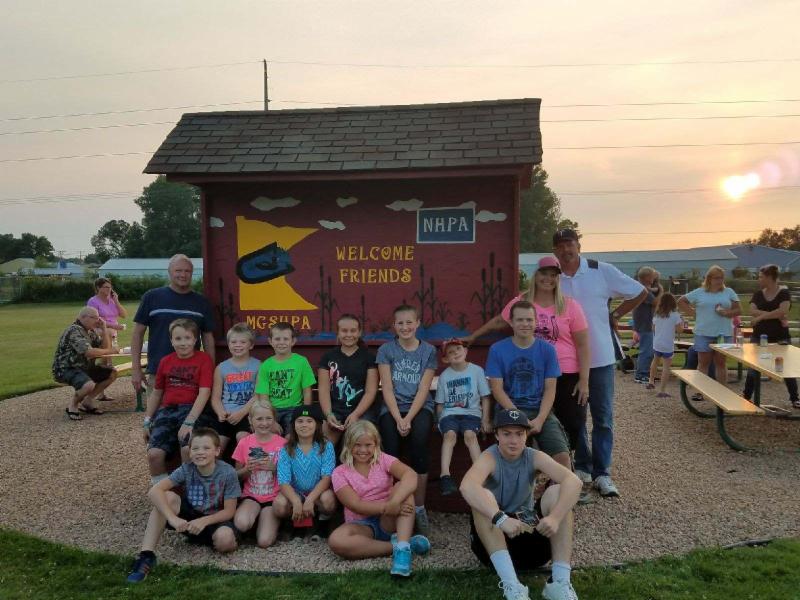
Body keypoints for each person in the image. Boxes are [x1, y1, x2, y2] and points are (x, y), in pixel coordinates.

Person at [552, 229, 646, 497]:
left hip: (600, 356)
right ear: (555, 251)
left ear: (578, 246)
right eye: (560, 246)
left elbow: (639, 291)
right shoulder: (553, 277)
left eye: (570, 244)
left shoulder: (600, 270)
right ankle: (583, 465)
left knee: (603, 417)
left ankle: (603, 472)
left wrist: (615, 314)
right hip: (569, 361)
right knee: (576, 417)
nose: (566, 250)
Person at [460, 409, 582, 600]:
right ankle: (513, 587)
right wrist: (501, 519)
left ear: (526, 435)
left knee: (558, 491)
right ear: (497, 435)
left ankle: (559, 583)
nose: (514, 441)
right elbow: (467, 486)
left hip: (529, 539)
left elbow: (574, 482)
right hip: (493, 543)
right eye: (507, 434)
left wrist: (555, 518)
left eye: (519, 434)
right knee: (481, 497)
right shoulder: (489, 457)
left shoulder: (534, 456)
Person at [126, 427, 240, 583]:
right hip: (190, 516)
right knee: (167, 497)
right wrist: (172, 519)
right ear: (190, 452)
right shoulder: (187, 469)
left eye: (206, 448)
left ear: (217, 451)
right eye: (195, 448)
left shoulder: (228, 472)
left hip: (215, 520)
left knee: (225, 541)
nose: (200, 452)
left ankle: (204, 538)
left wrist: (203, 521)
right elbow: (154, 491)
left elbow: (229, 511)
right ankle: (146, 556)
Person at [328, 420, 431, 578]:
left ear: (376, 444)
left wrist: (394, 503)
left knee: (403, 489)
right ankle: (400, 546)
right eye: (357, 445)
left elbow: (410, 475)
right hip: (362, 525)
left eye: (368, 445)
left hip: (389, 520)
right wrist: (386, 507)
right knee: (336, 541)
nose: (363, 450)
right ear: (348, 444)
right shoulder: (339, 472)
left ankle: (403, 553)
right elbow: (355, 505)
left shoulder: (383, 459)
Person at [485, 301, 571, 472]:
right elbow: (497, 389)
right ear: (511, 322)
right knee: (512, 457)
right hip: (509, 410)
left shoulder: (547, 350)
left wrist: (540, 419)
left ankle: (556, 489)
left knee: (562, 457)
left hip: (540, 410)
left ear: (536, 322)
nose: (525, 324)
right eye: (520, 320)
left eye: (529, 320)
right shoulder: (497, 350)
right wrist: (519, 417)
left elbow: (550, 389)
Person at [376, 304, 437, 536]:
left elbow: (423, 388)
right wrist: (398, 418)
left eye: (409, 322)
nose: (405, 327)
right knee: (390, 449)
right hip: (392, 408)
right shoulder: (386, 350)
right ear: (394, 325)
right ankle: (394, 504)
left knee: (419, 444)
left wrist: (408, 418)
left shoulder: (428, 351)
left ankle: (419, 508)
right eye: (400, 323)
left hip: (419, 407)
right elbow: (387, 387)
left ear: (418, 323)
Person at [131, 254, 215, 402]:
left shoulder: (201, 302)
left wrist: (210, 370)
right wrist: (136, 368)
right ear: (170, 272)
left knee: (189, 413)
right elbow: (138, 334)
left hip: (191, 373)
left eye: (187, 271)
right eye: (178, 270)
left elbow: (208, 338)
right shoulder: (152, 297)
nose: (183, 275)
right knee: (157, 414)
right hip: (159, 371)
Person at [142, 319, 215, 483]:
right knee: (154, 454)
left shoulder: (203, 359)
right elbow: (157, 393)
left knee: (188, 449)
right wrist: (147, 420)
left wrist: (189, 422)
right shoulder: (165, 361)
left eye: (187, 338)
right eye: (178, 338)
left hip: (193, 410)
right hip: (168, 411)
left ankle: (191, 490)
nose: (183, 343)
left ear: (195, 340)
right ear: (171, 340)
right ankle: (163, 491)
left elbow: (204, 392)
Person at [435, 338, 492, 496]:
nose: (455, 353)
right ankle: (445, 475)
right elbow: (440, 403)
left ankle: (480, 475)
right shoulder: (444, 376)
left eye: (458, 349)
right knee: (449, 435)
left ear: (466, 351)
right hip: (450, 414)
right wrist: (440, 421)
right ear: (445, 359)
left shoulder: (477, 371)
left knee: (470, 435)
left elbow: (486, 397)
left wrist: (485, 419)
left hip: (472, 414)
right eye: (450, 352)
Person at [274, 404, 337, 539]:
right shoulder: (286, 448)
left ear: (317, 425)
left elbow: (326, 478)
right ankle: (291, 522)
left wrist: (311, 499)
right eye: (300, 421)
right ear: (293, 425)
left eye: (309, 421)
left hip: (318, 492)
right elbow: (283, 481)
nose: (304, 425)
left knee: (328, 500)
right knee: (279, 504)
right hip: (296, 491)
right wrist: (296, 501)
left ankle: (321, 523)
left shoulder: (326, 446)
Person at [231, 399, 287, 548]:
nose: (264, 423)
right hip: (251, 496)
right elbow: (236, 476)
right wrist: (246, 470)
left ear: (274, 420)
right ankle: (254, 523)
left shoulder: (282, 444)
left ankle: (270, 524)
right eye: (259, 419)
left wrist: (274, 468)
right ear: (251, 420)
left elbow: (290, 476)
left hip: (273, 497)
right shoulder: (244, 442)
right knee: (241, 524)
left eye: (268, 418)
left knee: (264, 542)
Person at [318, 314, 379, 445]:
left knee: (360, 442)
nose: (349, 334)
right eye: (344, 331)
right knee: (324, 447)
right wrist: (328, 414)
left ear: (359, 332)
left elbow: (371, 391)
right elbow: (323, 389)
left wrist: (356, 414)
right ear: (338, 333)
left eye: (353, 330)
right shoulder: (328, 357)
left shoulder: (368, 357)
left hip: (361, 411)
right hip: (334, 410)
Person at [743, 264, 798, 407]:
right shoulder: (758, 294)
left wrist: (761, 317)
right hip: (759, 336)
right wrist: (775, 314)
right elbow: (752, 311)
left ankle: (795, 398)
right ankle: (746, 397)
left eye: (761, 277)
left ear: (769, 277)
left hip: (780, 336)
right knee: (753, 366)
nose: (759, 279)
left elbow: (783, 311)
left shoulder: (784, 293)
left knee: (786, 367)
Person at [678, 265, 740, 386]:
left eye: (721, 278)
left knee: (721, 363)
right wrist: (694, 314)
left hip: (723, 333)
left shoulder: (729, 292)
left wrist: (726, 313)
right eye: (716, 278)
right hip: (703, 333)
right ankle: (701, 391)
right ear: (709, 278)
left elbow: (738, 310)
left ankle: (722, 390)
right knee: (703, 363)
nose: (719, 281)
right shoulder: (699, 292)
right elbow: (681, 301)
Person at [52, 306, 118, 420]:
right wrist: (110, 351)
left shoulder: (90, 331)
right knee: (88, 385)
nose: (97, 321)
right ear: (83, 317)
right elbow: (89, 352)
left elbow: (104, 348)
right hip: (66, 369)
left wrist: (104, 329)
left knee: (112, 373)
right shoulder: (74, 331)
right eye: (94, 318)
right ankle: (73, 406)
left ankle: (88, 401)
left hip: (83, 368)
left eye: (98, 318)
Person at [253, 322, 316, 435]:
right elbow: (263, 396)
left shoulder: (301, 362)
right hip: (272, 409)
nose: (281, 342)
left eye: (285, 339)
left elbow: (307, 391)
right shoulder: (265, 365)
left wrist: (304, 413)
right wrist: (270, 419)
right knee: (269, 433)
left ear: (293, 341)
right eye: (277, 339)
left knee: (290, 436)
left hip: (294, 408)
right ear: (270, 341)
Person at [210, 323, 261, 453]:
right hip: (226, 414)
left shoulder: (258, 366)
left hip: (247, 414)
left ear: (251, 345)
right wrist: (220, 412)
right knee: (216, 447)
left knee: (243, 439)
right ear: (228, 344)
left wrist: (241, 413)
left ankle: (242, 467)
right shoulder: (221, 368)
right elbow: (216, 398)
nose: (237, 345)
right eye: (233, 342)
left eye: (242, 342)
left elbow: (258, 395)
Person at [87, 277, 127, 380]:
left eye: (110, 287)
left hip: (112, 331)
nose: (109, 289)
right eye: (106, 287)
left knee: (109, 335)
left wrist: (116, 301)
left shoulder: (112, 300)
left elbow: (123, 315)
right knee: (108, 334)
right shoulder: (93, 301)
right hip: (99, 329)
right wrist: (114, 326)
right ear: (98, 288)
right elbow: (95, 320)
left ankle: (106, 366)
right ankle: (108, 363)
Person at [648, 293, 685, 398]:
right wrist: (682, 322)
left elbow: (653, 328)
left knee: (655, 361)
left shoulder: (657, 314)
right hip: (668, 344)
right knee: (666, 367)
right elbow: (680, 330)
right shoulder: (676, 315)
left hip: (657, 343)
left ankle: (651, 381)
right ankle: (662, 390)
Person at [632, 267, 662, 384]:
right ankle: (641, 374)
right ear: (647, 277)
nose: (654, 278)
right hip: (644, 323)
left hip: (645, 322)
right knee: (646, 350)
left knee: (649, 350)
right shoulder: (642, 289)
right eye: (652, 276)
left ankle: (647, 373)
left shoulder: (642, 288)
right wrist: (662, 292)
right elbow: (656, 302)